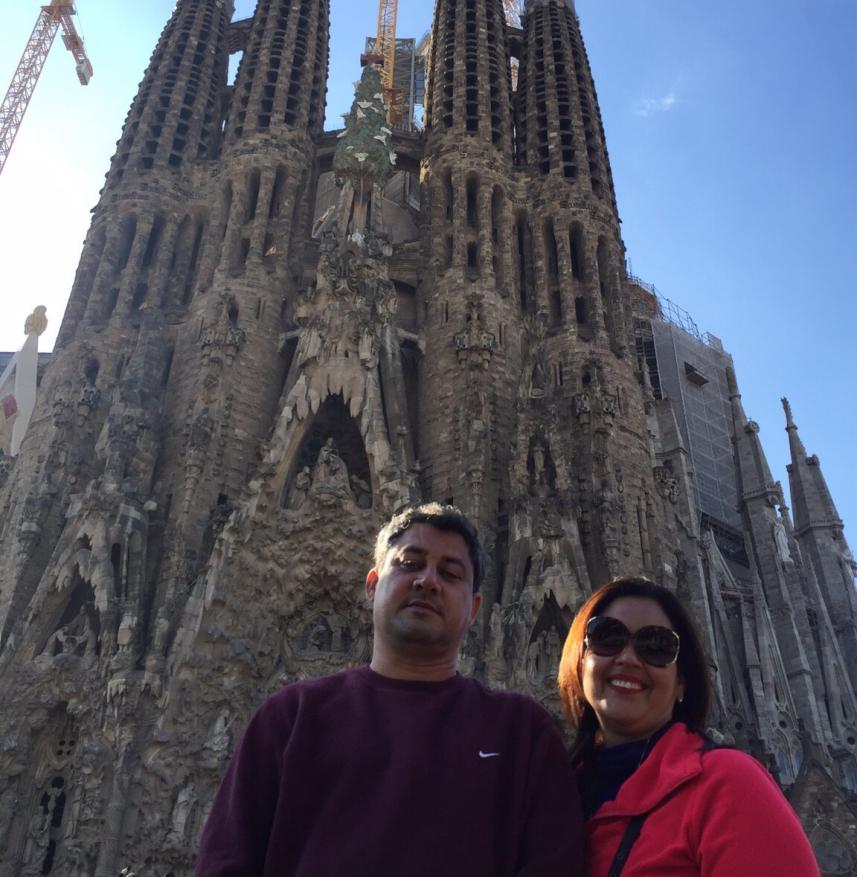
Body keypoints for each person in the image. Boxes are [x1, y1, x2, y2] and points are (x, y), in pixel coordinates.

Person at [196, 503, 584, 876]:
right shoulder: (289, 718)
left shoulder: (521, 733)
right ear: (372, 585)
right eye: (409, 564)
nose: (427, 581)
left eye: (450, 573)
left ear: (474, 609)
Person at [557, 576, 820, 877]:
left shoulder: (726, 785)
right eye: (606, 636)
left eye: (656, 646)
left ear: (682, 680)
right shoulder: (546, 791)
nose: (628, 658)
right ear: (579, 660)